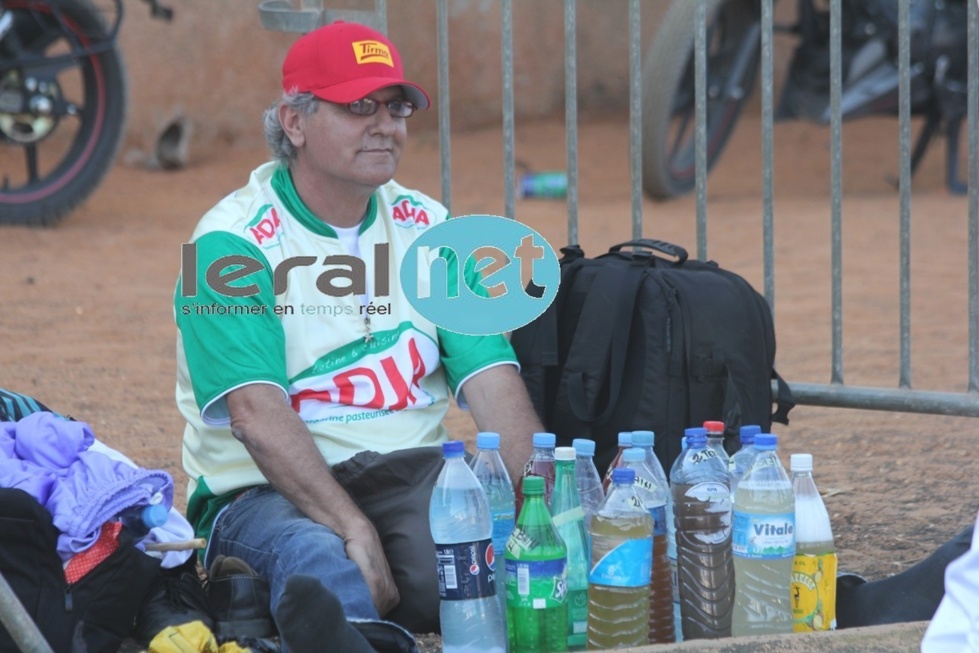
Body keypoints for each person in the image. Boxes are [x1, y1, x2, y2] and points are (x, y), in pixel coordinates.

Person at [173, 20, 543, 653]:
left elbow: (494, 384)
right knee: (320, 557)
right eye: (357, 106)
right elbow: (255, 417)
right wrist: (351, 524)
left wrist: (542, 506)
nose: (386, 125)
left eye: (395, 107)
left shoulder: (432, 226)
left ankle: (273, 610)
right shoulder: (226, 244)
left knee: (479, 577)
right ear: (294, 122)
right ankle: (355, 637)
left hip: (408, 474)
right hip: (265, 487)